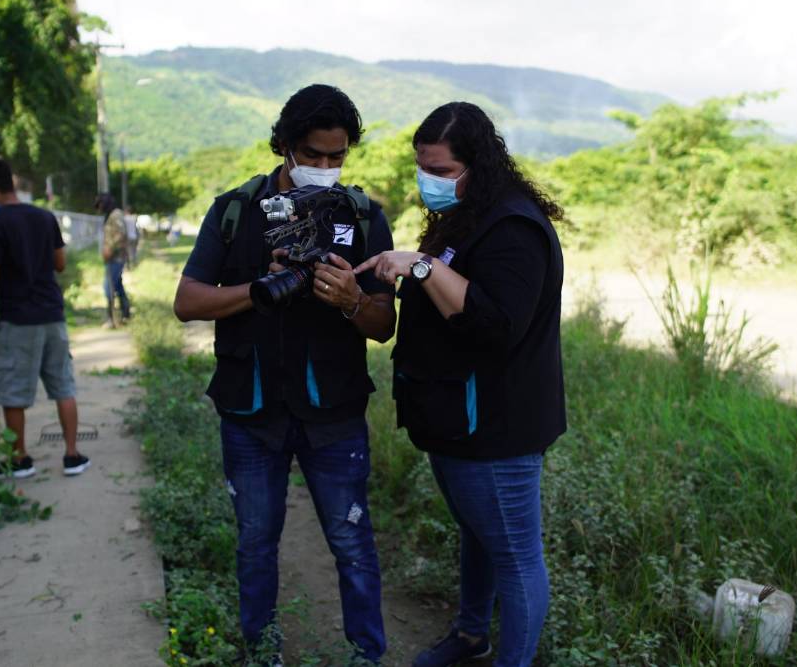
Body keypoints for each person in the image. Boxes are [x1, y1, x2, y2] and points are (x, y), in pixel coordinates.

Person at [173, 84, 396, 666]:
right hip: (250, 410)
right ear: (285, 147)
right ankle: (262, 652)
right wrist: (257, 291)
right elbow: (188, 301)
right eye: (313, 156)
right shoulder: (235, 211)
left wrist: (350, 299)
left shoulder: (365, 217)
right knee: (254, 542)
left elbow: (382, 324)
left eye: (337, 157)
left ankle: (367, 657)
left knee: (352, 542)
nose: (325, 168)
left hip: (334, 412)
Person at [354, 102, 566, 667]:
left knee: (518, 556)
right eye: (424, 169)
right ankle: (473, 635)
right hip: (454, 420)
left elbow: (495, 325)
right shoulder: (466, 216)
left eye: (443, 171)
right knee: (479, 533)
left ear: (480, 165)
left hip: (496, 427)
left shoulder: (514, 227)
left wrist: (420, 267)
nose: (431, 182)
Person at [0, 157, 90, 479]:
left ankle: (20, 459)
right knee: (63, 385)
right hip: (52, 315)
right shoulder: (44, 217)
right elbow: (60, 263)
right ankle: (73, 455)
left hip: (18, 319)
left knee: (13, 392)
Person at [98, 193, 131, 328]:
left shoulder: (115, 215)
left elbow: (120, 235)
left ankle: (112, 319)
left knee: (108, 288)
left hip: (116, 258)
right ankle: (125, 315)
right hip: (114, 258)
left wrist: (109, 250)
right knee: (118, 286)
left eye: (100, 204)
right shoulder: (112, 215)